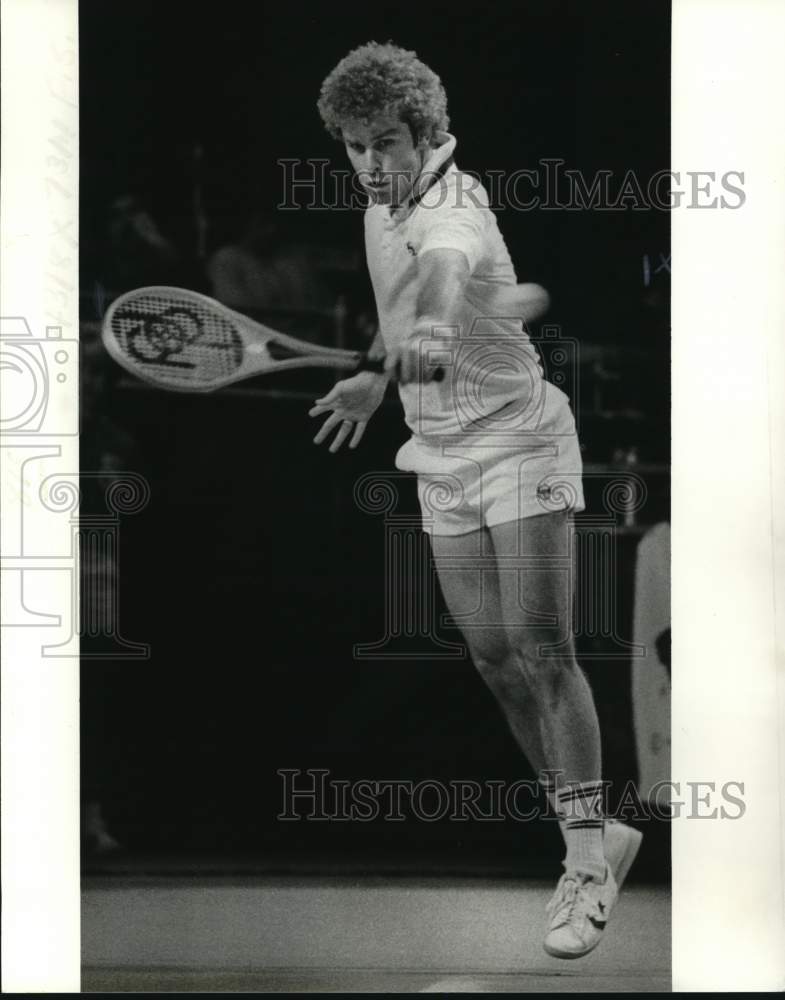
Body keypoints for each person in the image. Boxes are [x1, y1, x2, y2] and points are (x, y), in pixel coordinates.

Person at [309, 41, 641, 959]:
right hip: (442, 453)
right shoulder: (381, 208)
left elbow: (444, 269)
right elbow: (406, 294)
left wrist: (431, 324)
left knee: (544, 646)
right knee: (492, 657)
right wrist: (379, 375)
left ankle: (581, 865)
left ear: (428, 133)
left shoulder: (453, 200)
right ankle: (595, 834)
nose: (371, 164)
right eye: (352, 147)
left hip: (521, 435)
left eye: (386, 143)